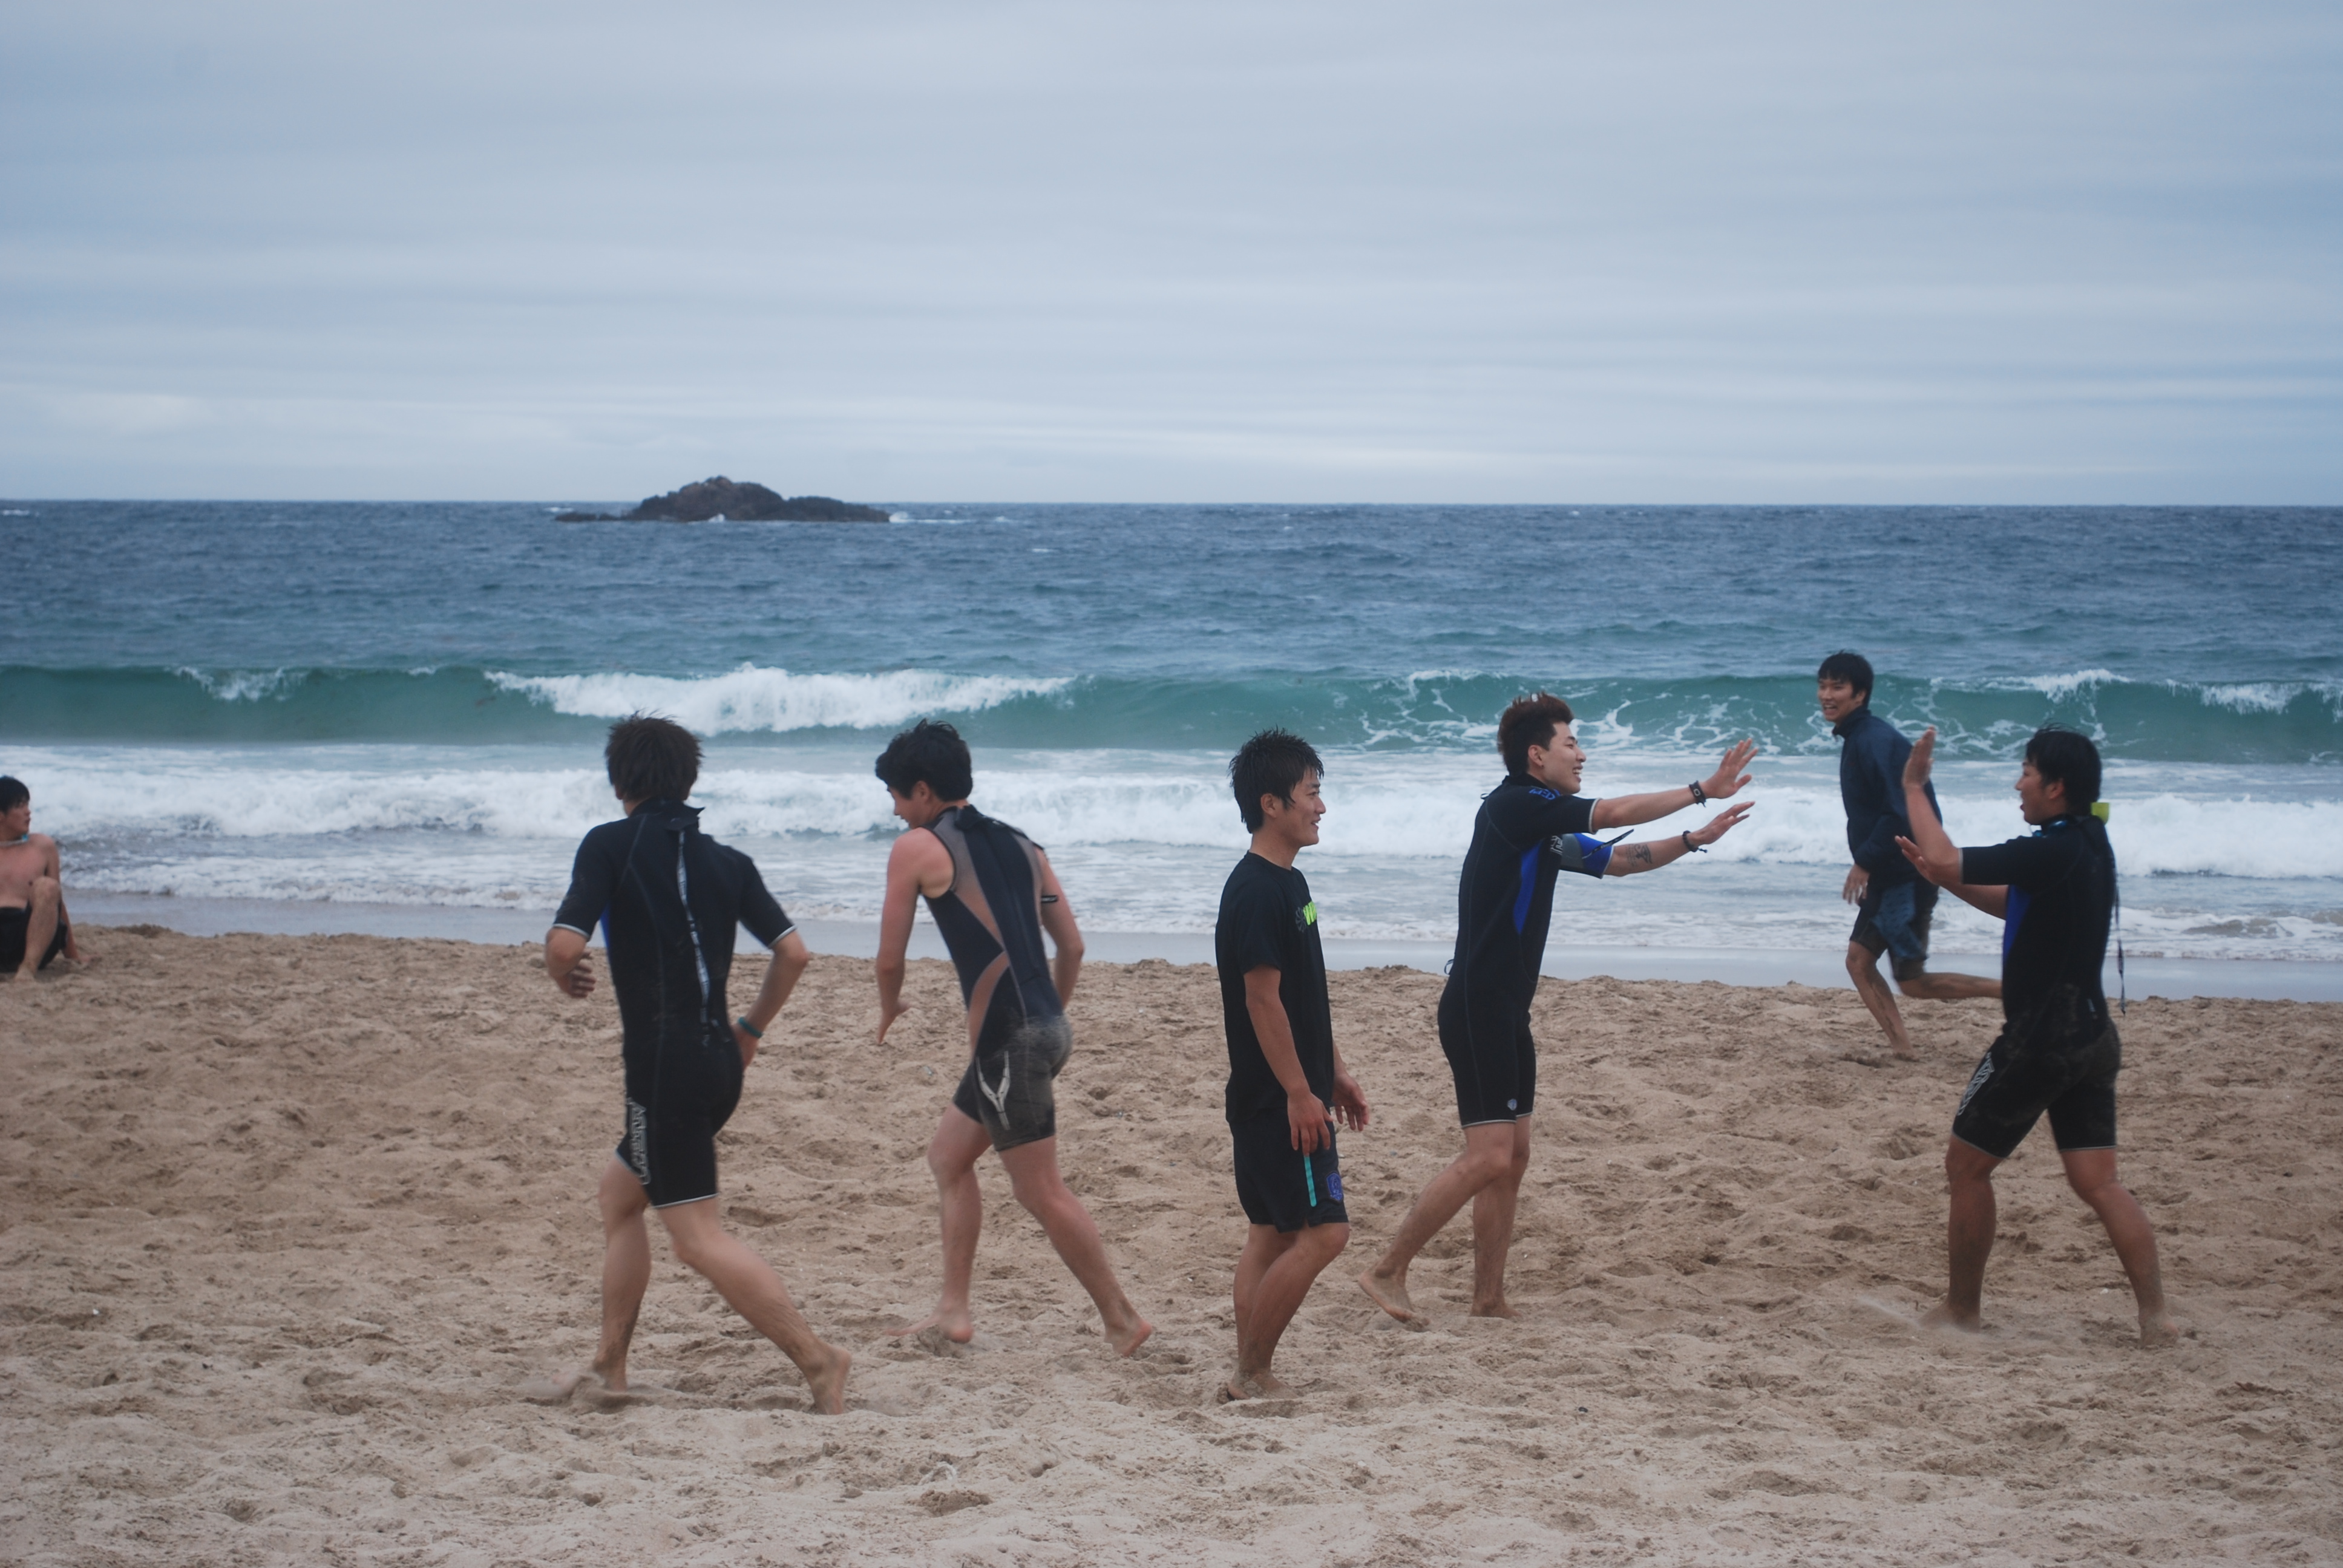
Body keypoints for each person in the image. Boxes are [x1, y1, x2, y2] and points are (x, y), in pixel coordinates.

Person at [1359, 694, 1752, 1323]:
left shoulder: (1538, 831)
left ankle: (1488, 1297)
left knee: (1512, 1159)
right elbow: (1612, 812)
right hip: (1478, 1005)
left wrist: (1692, 839)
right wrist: (1701, 790)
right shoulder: (1515, 806)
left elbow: (1619, 860)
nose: (1582, 754)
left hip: (1507, 1009)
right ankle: (1387, 1270)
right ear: (1536, 755)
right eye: (1571, 744)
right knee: (1488, 1156)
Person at [533, 715, 851, 1411]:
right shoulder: (728, 863)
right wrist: (751, 1029)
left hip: (663, 1072)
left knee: (696, 1239)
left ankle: (818, 1360)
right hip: (718, 1063)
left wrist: (562, 974)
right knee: (619, 1197)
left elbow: (563, 947)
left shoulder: (609, 845)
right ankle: (609, 1367)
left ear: (618, 781)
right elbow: (793, 954)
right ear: (687, 780)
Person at [873, 720, 1153, 1357]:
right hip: (1046, 1026)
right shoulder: (1025, 846)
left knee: (1038, 1190)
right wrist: (1047, 1020)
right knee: (948, 1158)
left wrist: (889, 1008)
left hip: (1009, 1042)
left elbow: (889, 960)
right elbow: (1072, 947)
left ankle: (1121, 1318)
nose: (894, 811)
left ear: (922, 791)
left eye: (896, 796)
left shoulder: (917, 847)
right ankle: (953, 1309)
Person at [1895, 725, 2177, 1347]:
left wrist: (1914, 787)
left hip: (2039, 1043)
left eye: (2025, 772)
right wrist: (1943, 877)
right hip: (2092, 1037)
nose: (2017, 783)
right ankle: (2156, 1318)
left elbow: (1945, 854)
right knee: (2098, 1182)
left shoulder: (2047, 849)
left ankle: (1961, 1311)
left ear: (2055, 786)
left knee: (1965, 1168)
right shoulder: (2087, 842)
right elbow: (2011, 902)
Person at [1215, 728, 1371, 1401]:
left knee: (1270, 1235)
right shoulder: (1255, 892)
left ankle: (1248, 1371)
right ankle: (1252, 1373)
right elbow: (1261, 1000)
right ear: (1271, 804)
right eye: (1311, 793)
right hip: (1277, 1101)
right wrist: (1300, 1094)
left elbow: (1303, 995)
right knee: (1325, 1233)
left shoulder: (1290, 883)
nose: (1321, 807)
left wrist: (1334, 1070)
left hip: (1284, 1091)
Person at [1818, 651, 1999, 1058]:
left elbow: (1900, 812)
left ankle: (2012, 991)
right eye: (1823, 686)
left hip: (1905, 876)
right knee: (1860, 962)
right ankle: (1903, 1048)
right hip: (1893, 873)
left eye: (1838, 687)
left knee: (1912, 980)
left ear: (1860, 695)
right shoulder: (1860, 737)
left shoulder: (1873, 741)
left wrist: (1865, 861)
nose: (1827, 695)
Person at [0, 777, 91, 982]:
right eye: (20, 806)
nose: (28, 812)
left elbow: (56, 903)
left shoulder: (42, 846)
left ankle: (27, 969)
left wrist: (73, 956)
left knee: (48, 886)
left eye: (28, 805)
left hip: (30, 938)